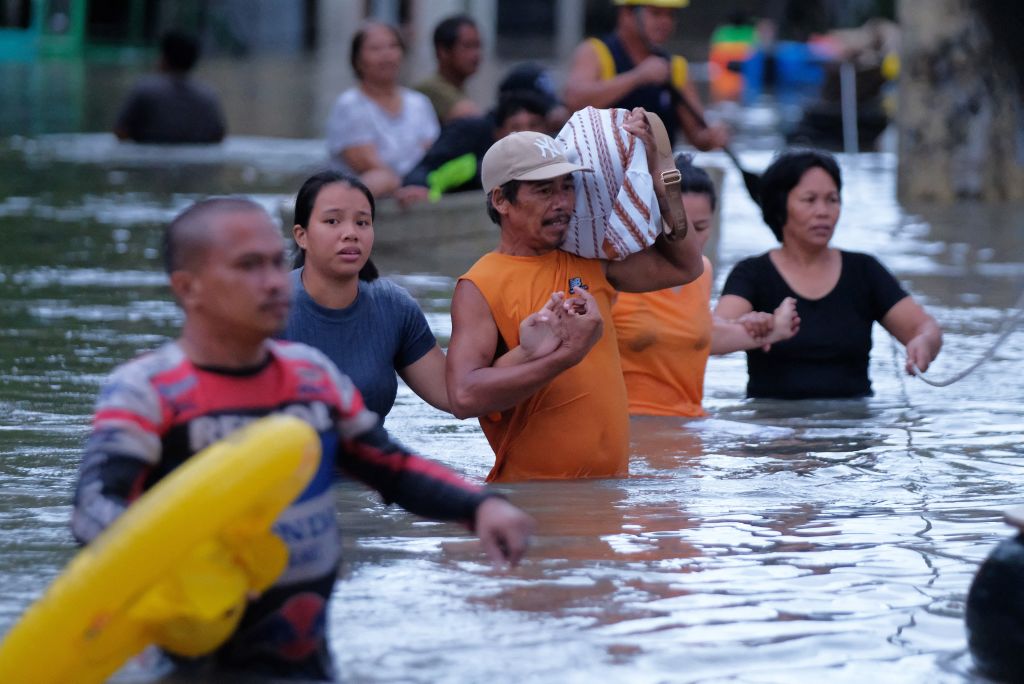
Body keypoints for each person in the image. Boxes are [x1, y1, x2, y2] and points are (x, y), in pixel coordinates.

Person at [70, 197, 533, 680]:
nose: (273, 281)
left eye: (274, 262)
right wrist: (188, 569)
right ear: (189, 288)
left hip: (306, 665)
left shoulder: (310, 380)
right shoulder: (148, 391)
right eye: (249, 266)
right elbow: (92, 510)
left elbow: (390, 467)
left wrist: (480, 507)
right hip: (185, 661)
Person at [445, 116, 704, 483]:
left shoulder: (590, 259)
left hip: (608, 499)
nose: (563, 202)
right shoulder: (479, 284)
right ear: (502, 199)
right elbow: (463, 397)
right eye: (544, 190)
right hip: (536, 502)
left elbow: (685, 267)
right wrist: (566, 355)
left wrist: (664, 179)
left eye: (567, 187)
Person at [284, 170, 563, 423]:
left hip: (368, 476)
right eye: (332, 221)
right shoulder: (263, 307)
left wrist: (528, 352)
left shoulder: (393, 307)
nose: (350, 234)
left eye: (362, 222)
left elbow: (456, 396)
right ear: (301, 236)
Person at [714, 149, 943, 399]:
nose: (823, 211)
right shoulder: (752, 274)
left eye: (832, 200)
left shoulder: (864, 271)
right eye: (809, 200)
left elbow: (924, 327)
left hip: (853, 426)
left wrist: (924, 343)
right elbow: (713, 336)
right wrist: (750, 326)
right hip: (774, 427)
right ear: (780, 206)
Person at [612, 154, 800, 417]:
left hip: (690, 423)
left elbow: (696, 334)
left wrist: (769, 330)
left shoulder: (702, 272)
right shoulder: (615, 273)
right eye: (675, 226)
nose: (686, 239)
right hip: (629, 426)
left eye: (699, 228)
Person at [563, 0, 729, 150]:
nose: (666, 22)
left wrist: (712, 136)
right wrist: (638, 77)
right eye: (656, 13)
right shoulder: (595, 52)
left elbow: (697, 136)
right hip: (606, 174)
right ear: (626, 13)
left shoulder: (676, 67)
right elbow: (573, 101)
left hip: (657, 176)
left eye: (670, 15)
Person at [326, 21, 439, 198]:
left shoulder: (419, 103)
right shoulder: (349, 105)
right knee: (381, 178)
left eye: (393, 46)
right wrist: (401, 186)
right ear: (358, 61)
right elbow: (366, 164)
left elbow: (431, 156)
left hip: (417, 187)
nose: (387, 55)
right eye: (375, 49)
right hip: (369, 192)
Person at [396, 90, 550, 207]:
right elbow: (427, 166)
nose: (526, 134)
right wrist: (419, 187)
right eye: (515, 127)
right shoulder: (469, 143)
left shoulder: (556, 153)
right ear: (498, 132)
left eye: (534, 125)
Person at [113, 29, 226, 144]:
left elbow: (120, 132)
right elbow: (219, 136)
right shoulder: (208, 95)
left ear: (164, 58)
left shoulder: (144, 89)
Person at [413, 14, 483, 125]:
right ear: (443, 52)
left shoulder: (459, 88)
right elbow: (472, 117)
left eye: (477, 46)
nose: (476, 54)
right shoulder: (429, 89)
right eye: (467, 46)